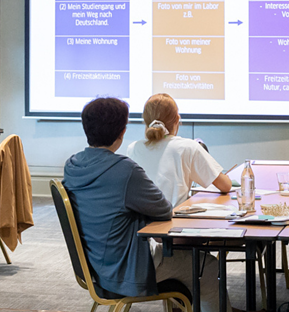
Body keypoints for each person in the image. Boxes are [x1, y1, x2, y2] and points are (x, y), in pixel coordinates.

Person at [63, 97, 219, 311]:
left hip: (94, 266)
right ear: (122, 131)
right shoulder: (125, 170)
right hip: (128, 267)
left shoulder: (72, 165)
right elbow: (164, 210)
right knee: (207, 265)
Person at [125, 93, 231, 206]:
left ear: (145, 120)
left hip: (140, 217)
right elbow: (225, 186)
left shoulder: (133, 149)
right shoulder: (189, 147)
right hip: (173, 216)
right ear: (177, 120)